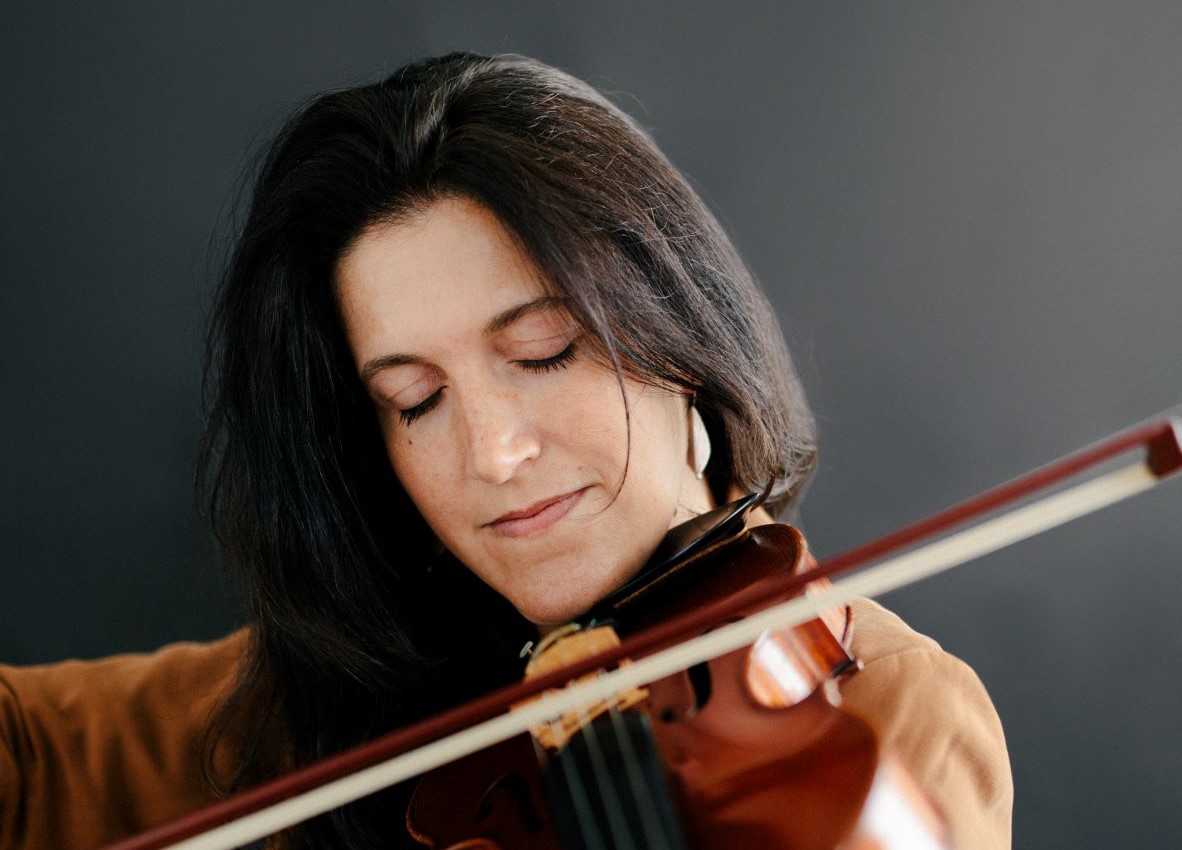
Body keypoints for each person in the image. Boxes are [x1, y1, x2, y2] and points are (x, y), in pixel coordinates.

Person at [0, 52, 1012, 849]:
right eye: (415, 400)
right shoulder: (370, 689)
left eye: (543, 352)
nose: (492, 453)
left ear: (679, 335)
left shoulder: (881, 714)